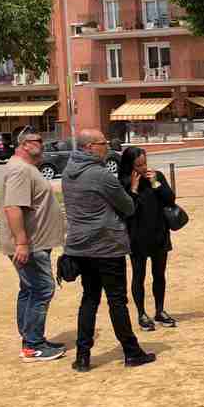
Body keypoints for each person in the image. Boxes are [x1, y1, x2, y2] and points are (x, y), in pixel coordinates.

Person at [63, 129, 156, 372]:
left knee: (89, 299)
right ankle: (131, 351)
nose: (108, 147)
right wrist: (133, 190)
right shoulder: (101, 175)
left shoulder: (68, 172)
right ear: (89, 147)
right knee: (117, 301)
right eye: (103, 143)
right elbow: (127, 206)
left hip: (79, 247)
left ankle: (83, 356)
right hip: (106, 246)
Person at [0, 129, 67, 362]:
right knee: (42, 289)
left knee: (29, 290)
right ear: (25, 144)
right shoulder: (20, 169)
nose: (43, 144)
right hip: (31, 244)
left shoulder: (24, 168)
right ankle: (32, 345)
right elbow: (13, 207)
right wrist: (21, 242)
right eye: (38, 141)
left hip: (34, 242)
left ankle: (32, 338)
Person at [118, 147, 177, 331]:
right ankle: (141, 313)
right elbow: (126, 210)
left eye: (145, 163)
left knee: (159, 274)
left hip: (159, 233)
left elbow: (170, 200)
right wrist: (133, 189)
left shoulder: (156, 176)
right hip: (137, 237)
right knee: (139, 275)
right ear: (130, 165)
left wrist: (156, 184)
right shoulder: (123, 182)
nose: (144, 167)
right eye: (139, 165)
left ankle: (160, 310)